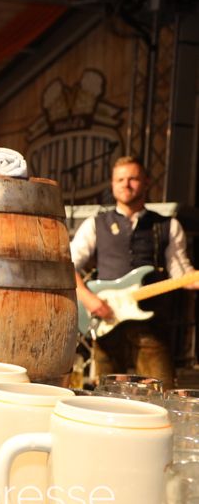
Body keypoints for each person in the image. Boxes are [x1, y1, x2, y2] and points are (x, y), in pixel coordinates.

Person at [71, 155, 199, 388]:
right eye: (120, 180)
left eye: (133, 179)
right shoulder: (95, 224)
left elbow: (181, 274)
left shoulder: (168, 226)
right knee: (107, 396)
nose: (126, 185)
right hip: (107, 324)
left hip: (151, 326)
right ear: (112, 184)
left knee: (161, 393)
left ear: (147, 182)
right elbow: (67, 265)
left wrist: (194, 279)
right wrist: (88, 299)